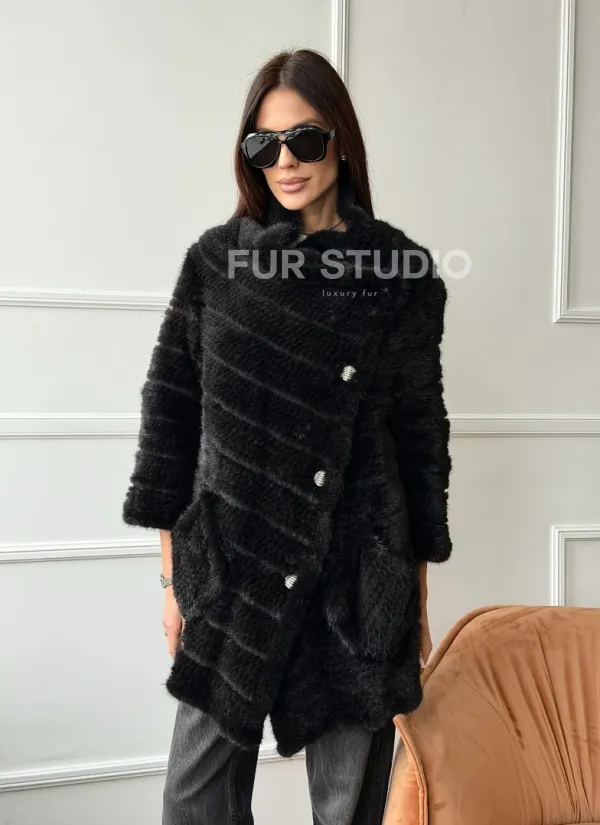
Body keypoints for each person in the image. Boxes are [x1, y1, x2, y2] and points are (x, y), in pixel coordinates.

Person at [122, 47, 452, 825]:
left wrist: (413, 588)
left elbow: (420, 436)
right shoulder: (215, 264)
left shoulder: (398, 273)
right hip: (232, 564)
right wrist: (172, 582)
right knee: (193, 802)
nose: (285, 162)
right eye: (263, 145)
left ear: (341, 140)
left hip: (354, 574)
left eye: (303, 139)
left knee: (349, 808)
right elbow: (170, 422)